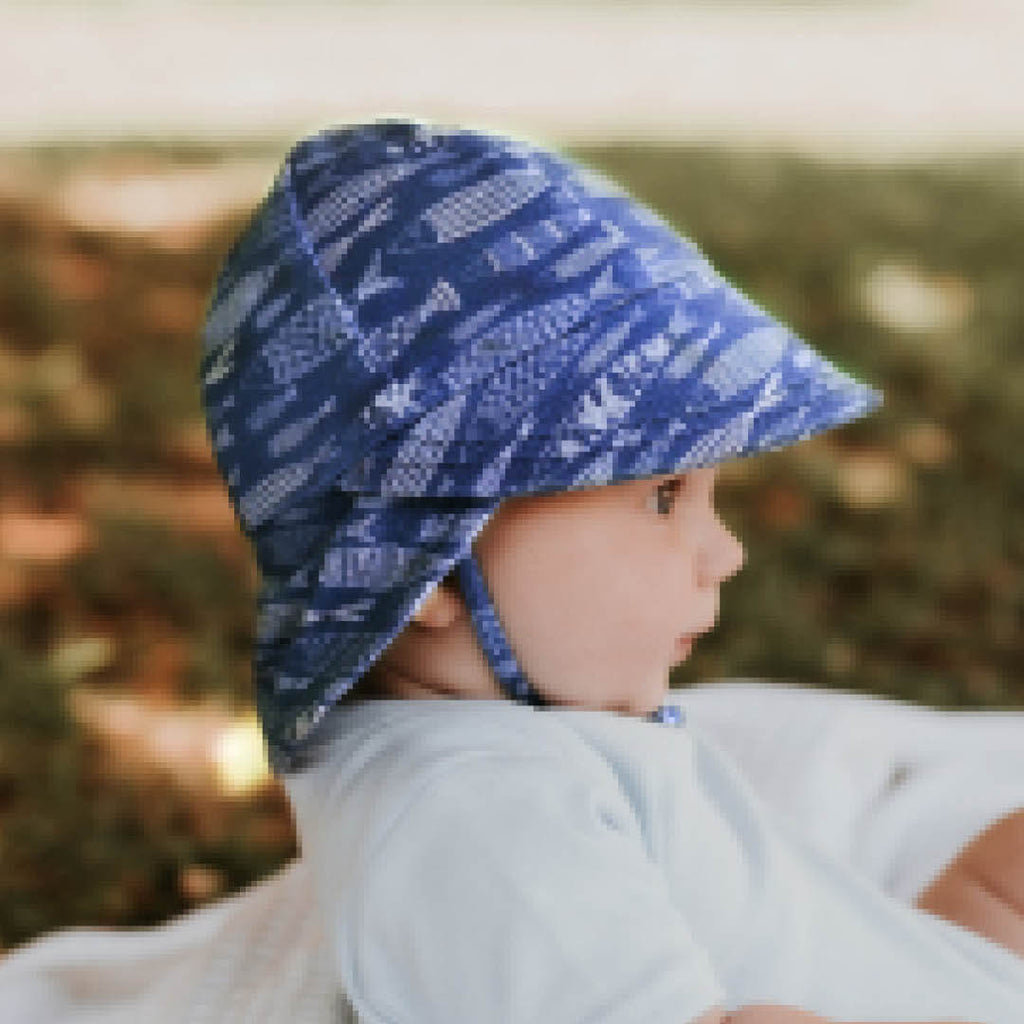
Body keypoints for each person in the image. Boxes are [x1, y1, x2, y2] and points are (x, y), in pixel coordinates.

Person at [1, 117, 1023, 1023]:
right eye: (662, 496)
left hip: (934, 959)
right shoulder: (475, 823)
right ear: (430, 559)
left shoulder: (501, 748)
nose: (727, 551)